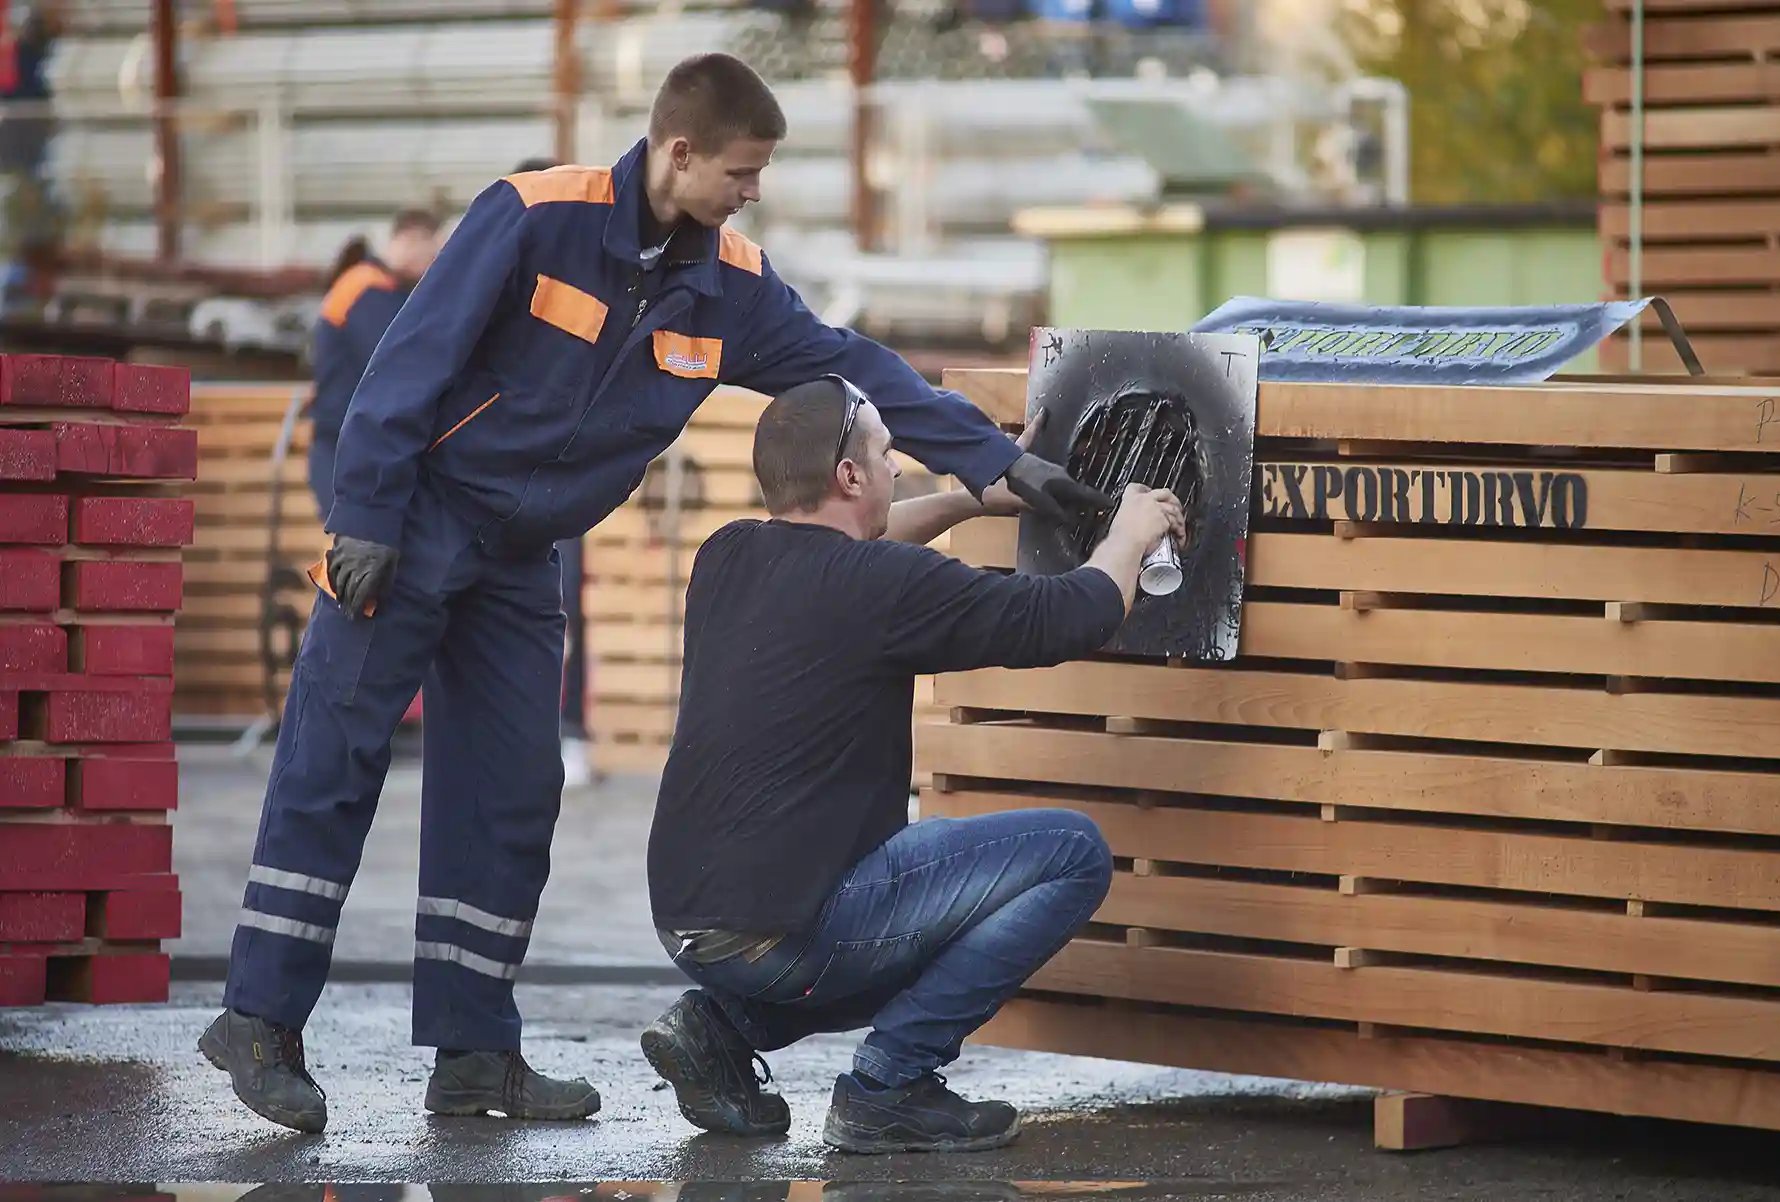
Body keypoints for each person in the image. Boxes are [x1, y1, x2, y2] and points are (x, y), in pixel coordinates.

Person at [197, 52, 1107, 1136]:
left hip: (524, 556)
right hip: (419, 522)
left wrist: (1001, 467)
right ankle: (258, 1019)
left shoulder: (730, 287)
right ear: (679, 151)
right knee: (334, 756)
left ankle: (475, 1051)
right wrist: (365, 516)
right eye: (742, 169)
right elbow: (408, 360)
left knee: (511, 792)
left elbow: (856, 362)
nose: (753, 191)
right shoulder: (532, 217)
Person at [640, 375, 1186, 1153]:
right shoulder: (880, 588)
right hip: (788, 930)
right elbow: (1066, 615)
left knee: (912, 922)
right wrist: (1130, 535)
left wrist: (970, 500)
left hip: (691, 926)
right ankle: (889, 1084)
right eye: (887, 455)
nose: (898, 468)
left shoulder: (727, 558)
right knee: (1072, 854)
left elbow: (861, 551)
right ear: (850, 476)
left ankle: (722, 1029)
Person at [506, 155, 595, 790]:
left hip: (557, 489)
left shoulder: (587, 285)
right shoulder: (497, 278)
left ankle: (567, 732)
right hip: (498, 489)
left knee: (562, 612)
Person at [307, 210, 444, 522]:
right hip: (351, 457)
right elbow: (404, 367)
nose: (436, 264)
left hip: (356, 453)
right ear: (412, 241)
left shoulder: (375, 288)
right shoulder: (368, 292)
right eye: (434, 252)